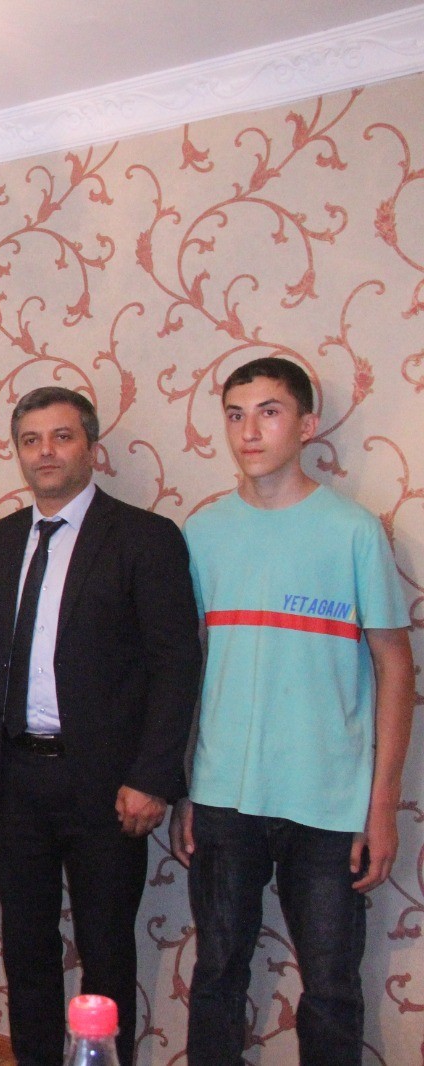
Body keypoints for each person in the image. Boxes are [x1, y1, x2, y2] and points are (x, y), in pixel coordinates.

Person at [0, 387, 202, 1066]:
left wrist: (154, 777)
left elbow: (176, 665)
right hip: (12, 780)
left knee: (106, 950)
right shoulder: (1, 541)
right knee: (26, 948)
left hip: (107, 787)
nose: (46, 452)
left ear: (91, 447)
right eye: (31, 440)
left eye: (61, 437)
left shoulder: (145, 537)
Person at [172, 357, 414, 1066]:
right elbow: (189, 670)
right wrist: (186, 786)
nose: (250, 430)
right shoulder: (203, 533)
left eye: (269, 412)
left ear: (306, 426)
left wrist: (382, 805)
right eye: (236, 414)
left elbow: (396, 667)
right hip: (224, 798)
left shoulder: (353, 531)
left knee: (332, 990)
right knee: (217, 976)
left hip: (329, 803)